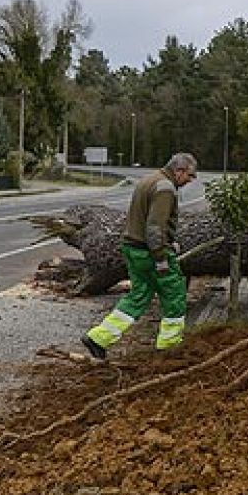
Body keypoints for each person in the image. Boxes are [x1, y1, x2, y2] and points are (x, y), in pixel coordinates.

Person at [81, 152, 197, 359]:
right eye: (190, 175)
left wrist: (168, 240)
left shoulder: (148, 180)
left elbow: (145, 219)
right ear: (179, 171)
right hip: (150, 252)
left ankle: (99, 338)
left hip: (133, 248)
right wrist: (161, 256)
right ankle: (169, 347)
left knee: (139, 296)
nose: (191, 180)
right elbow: (154, 227)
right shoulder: (165, 189)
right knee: (174, 294)